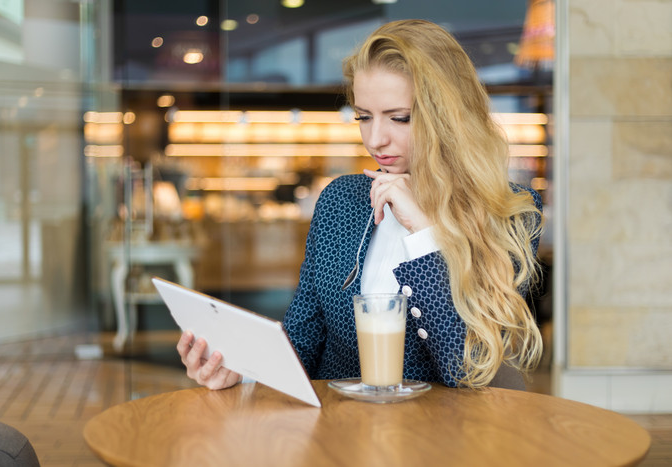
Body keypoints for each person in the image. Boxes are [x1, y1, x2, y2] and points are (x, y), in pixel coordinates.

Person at [177, 19, 543, 390]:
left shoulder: (510, 213)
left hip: (442, 442)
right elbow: (301, 342)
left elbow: (468, 372)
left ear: (450, 118)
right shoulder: (341, 201)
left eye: (399, 118)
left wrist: (423, 233)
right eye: (363, 117)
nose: (375, 139)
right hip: (335, 437)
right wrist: (241, 369)